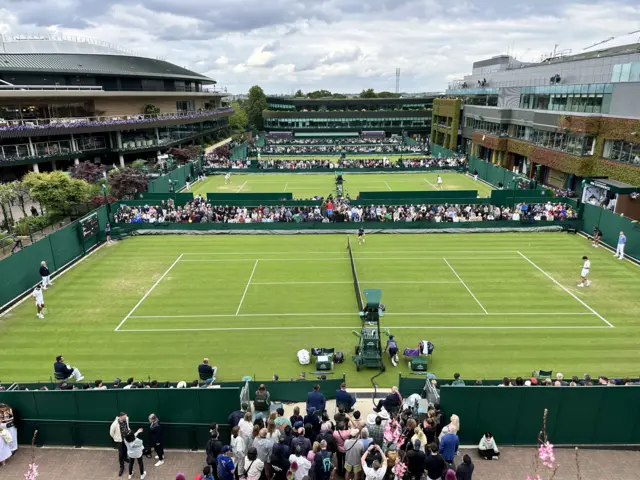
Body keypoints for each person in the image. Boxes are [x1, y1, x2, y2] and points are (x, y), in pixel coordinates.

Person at [110, 412, 130, 476]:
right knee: (120, 453)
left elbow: (127, 426)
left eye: (126, 417)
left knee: (126, 449)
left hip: (126, 439)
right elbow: (111, 433)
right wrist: (116, 438)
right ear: (121, 417)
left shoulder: (126, 419)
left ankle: (125, 458)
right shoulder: (115, 424)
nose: (126, 418)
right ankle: (122, 467)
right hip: (119, 441)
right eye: (124, 417)